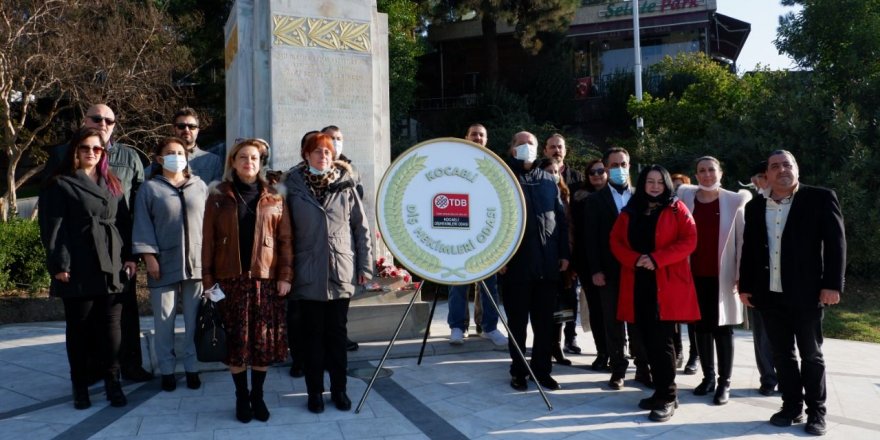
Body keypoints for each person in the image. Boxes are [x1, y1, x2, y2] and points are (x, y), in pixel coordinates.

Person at [739, 150, 845, 436]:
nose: (782, 169)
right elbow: (749, 249)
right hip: (769, 293)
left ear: (797, 168)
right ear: (767, 174)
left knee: (811, 354)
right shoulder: (755, 207)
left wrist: (832, 284)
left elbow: (836, 244)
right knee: (782, 354)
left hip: (807, 293)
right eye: (775, 166)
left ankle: (816, 412)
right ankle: (791, 406)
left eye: (787, 164)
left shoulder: (820, 198)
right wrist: (746, 286)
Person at [43, 104, 152, 383]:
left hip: (115, 254)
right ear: (85, 120)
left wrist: (133, 254)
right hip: (81, 254)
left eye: (109, 120)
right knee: (84, 319)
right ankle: (89, 373)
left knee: (120, 317)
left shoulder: (129, 157)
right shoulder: (61, 158)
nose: (103, 123)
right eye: (96, 118)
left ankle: (127, 367)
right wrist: (60, 261)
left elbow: (133, 210)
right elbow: (52, 217)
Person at [202, 138, 293, 423]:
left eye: (254, 158)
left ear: (260, 163)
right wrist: (208, 280)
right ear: (233, 161)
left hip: (264, 281)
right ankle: (242, 397)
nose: (248, 162)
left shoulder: (274, 196)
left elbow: (285, 240)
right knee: (236, 344)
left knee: (262, 343)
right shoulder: (218, 195)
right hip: (230, 280)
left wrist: (285, 276)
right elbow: (208, 241)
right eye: (243, 157)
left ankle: (258, 396)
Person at [283, 133, 373, 414]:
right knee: (312, 338)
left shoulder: (345, 185)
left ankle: (339, 390)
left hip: (339, 270)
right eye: (317, 151)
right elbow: (284, 233)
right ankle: (314, 393)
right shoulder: (291, 186)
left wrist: (365, 267)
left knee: (337, 336)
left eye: (327, 151)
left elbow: (361, 228)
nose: (323, 156)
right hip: (307, 271)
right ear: (306, 155)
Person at [609, 165, 699, 422]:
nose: (655, 186)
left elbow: (689, 240)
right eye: (650, 181)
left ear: (667, 184)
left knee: (662, 343)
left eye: (660, 181)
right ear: (643, 184)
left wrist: (657, 259)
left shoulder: (676, 208)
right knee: (646, 342)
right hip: (637, 283)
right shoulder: (631, 210)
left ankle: (668, 396)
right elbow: (615, 241)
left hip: (665, 285)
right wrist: (635, 259)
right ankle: (661, 391)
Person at [132, 136, 208, 392]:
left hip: (196, 264)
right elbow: (142, 223)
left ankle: (192, 367)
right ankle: (167, 369)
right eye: (171, 153)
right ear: (159, 159)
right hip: (163, 263)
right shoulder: (150, 189)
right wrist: (149, 257)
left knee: (194, 320)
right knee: (164, 321)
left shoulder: (199, 186)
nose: (177, 157)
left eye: (180, 153)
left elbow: (208, 223)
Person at [677, 157, 751, 405]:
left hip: (724, 277)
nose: (707, 174)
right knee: (700, 327)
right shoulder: (686, 198)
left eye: (711, 170)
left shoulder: (733, 201)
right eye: (702, 170)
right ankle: (708, 377)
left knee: (723, 328)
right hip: (693, 275)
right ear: (696, 174)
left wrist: (740, 276)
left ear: (720, 172)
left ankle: (724, 382)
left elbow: (742, 241)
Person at [502, 131, 569, 392]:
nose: (526, 147)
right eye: (520, 143)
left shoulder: (548, 180)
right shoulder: (503, 177)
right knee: (517, 324)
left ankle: (542, 371)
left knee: (544, 325)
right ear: (512, 148)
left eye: (530, 143)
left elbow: (560, 219)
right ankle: (519, 371)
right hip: (516, 266)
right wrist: (498, 259)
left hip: (547, 264)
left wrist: (563, 254)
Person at [584, 147, 651, 389]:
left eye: (623, 164)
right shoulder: (595, 200)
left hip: (638, 270)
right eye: (614, 165)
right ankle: (618, 368)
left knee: (639, 321)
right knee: (612, 321)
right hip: (609, 271)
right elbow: (590, 239)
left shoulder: (641, 197)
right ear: (606, 168)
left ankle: (643, 368)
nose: (619, 169)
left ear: (629, 166)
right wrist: (596, 270)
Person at [447, 123, 506, 346]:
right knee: (457, 281)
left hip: (486, 233)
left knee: (489, 284)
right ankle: (457, 326)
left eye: (482, 135)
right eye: (474, 134)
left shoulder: (494, 165)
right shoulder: (455, 163)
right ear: (466, 137)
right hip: (459, 229)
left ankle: (489, 327)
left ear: (486, 140)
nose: (478, 138)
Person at [543, 134, 585, 356]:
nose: (556, 150)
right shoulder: (539, 180)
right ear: (545, 150)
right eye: (552, 147)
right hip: (549, 254)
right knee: (553, 300)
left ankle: (570, 336)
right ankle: (552, 341)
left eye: (560, 147)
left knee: (569, 298)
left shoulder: (577, 179)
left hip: (570, 252)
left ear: (565, 150)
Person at [570, 158, 610, 370]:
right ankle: (602, 352)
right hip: (587, 260)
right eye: (591, 172)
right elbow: (576, 230)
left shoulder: (618, 195)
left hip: (614, 260)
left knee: (614, 310)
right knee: (596, 308)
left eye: (600, 171)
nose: (596, 175)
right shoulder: (579, 198)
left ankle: (618, 351)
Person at [537, 158, 574, 366]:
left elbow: (569, 227)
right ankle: (545, 345)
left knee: (563, 305)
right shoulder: (538, 194)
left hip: (565, 257)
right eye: (548, 172)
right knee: (546, 306)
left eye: (556, 171)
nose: (553, 175)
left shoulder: (566, 196)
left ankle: (557, 345)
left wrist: (568, 255)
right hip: (545, 258)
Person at [746, 160, 778, 396]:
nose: (762, 181)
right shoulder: (752, 206)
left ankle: (788, 377)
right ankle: (768, 377)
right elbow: (746, 247)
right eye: (760, 177)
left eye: (765, 176)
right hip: (760, 282)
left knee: (788, 335)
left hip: (789, 282)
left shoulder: (797, 202)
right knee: (762, 334)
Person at [670, 172, 699, 374]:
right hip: (674, 265)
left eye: (680, 187)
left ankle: (694, 355)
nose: (676, 190)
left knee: (693, 315)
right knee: (673, 314)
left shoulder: (696, 205)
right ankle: (677, 351)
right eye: (673, 186)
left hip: (694, 265)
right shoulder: (668, 208)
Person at [170, 107, 223, 183]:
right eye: (181, 126)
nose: (186, 130)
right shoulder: (163, 160)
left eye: (191, 126)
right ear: (173, 129)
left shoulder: (213, 161)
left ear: (197, 130)